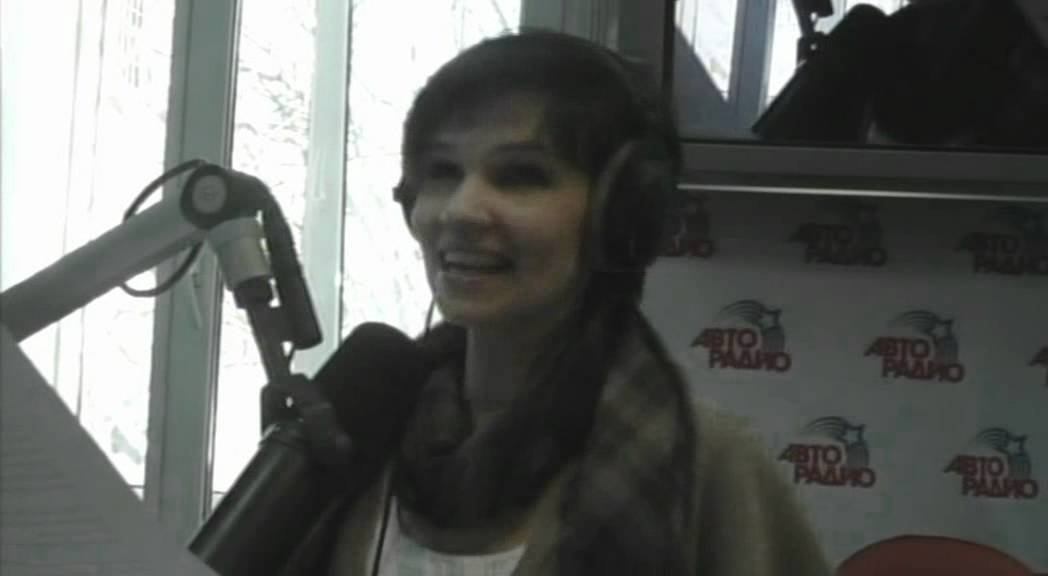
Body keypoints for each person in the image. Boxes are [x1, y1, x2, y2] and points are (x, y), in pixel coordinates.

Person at [282, 29, 831, 576]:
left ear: (622, 214)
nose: (461, 211)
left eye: (520, 176)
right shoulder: (364, 434)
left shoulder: (710, 468)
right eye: (443, 172)